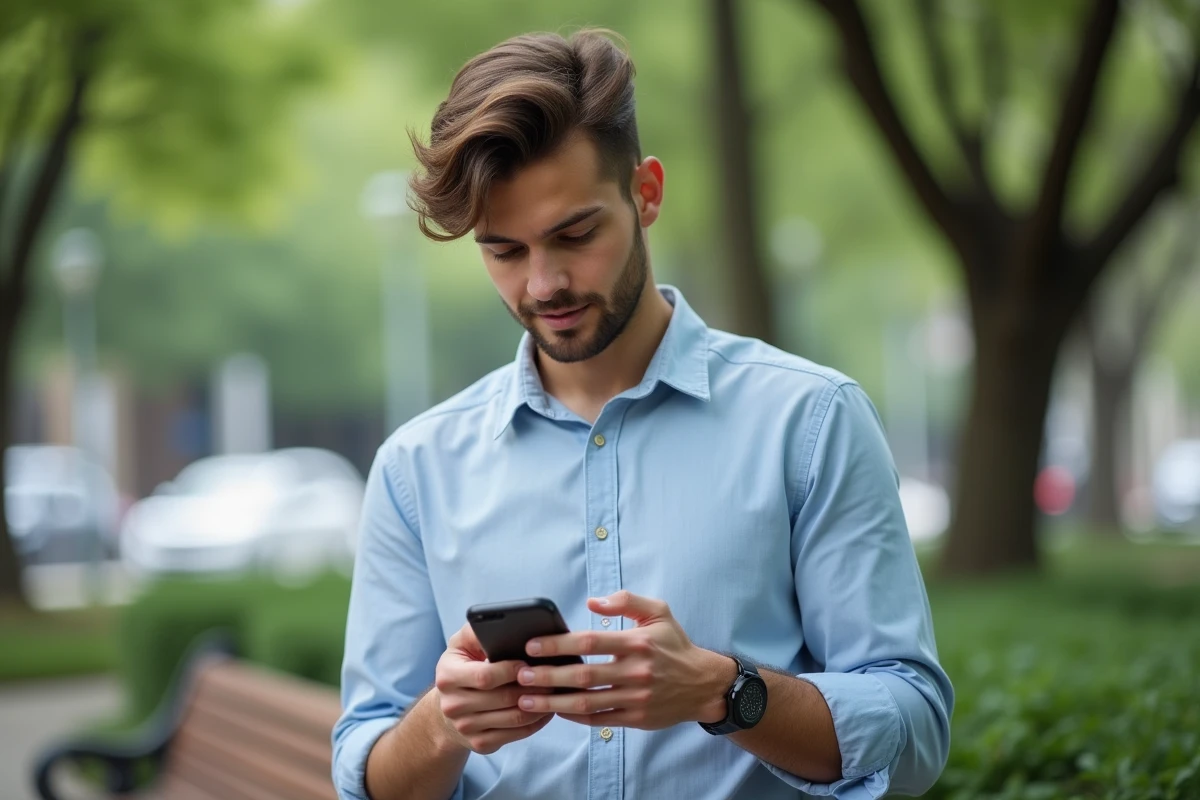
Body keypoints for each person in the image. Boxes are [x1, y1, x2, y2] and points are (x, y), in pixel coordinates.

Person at [332, 29, 952, 800]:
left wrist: (723, 692)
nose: (544, 283)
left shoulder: (811, 422)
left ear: (646, 193)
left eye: (575, 234)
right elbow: (365, 770)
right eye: (504, 251)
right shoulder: (415, 468)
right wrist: (444, 722)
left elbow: (915, 732)